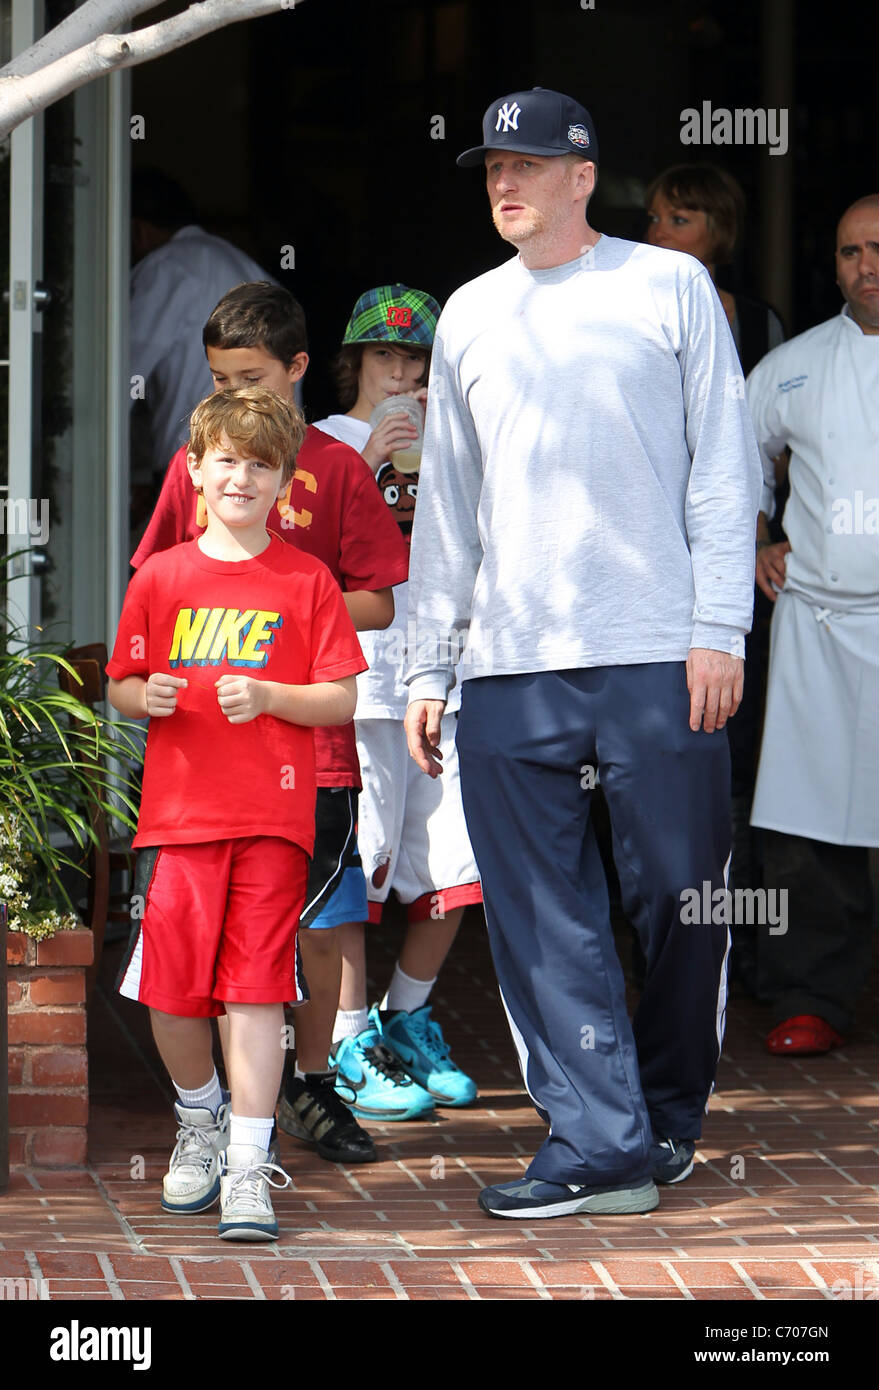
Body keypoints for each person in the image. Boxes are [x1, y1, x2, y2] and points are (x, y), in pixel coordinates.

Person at [404, 87, 762, 1219]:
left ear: (580, 174)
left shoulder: (669, 286)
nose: (503, 182)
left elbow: (724, 466)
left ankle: (661, 1117)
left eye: (523, 163)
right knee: (540, 915)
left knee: (684, 902)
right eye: (489, 167)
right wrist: (427, 662)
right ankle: (595, 1139)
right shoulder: (466, 313)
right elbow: (447, 511)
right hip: (511, 664)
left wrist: (719, 629)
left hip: (659, 652)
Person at [133, 282, 411, 1165]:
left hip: (310, 746)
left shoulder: (333, 467)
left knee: (318, 923)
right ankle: (217, 1110)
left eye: (248, 376)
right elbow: (162, 583)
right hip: (205, 762)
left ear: (297, 369)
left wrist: (292, 595)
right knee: (202, 937)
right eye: (215, 379)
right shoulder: (200, 463)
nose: (227, 397)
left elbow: (377, 598)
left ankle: (312, 1086)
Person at [107, 386, 366, 1240]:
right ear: (194, 470)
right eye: (227, 460)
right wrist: (149, 693)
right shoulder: (161, 576)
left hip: (273, 820)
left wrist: (273, 695)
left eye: (261, 464)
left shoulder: (307, 578)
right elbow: (120, 688)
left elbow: (338, 698)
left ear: (284, 480)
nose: (242, 477)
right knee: (173, 994)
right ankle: (200, 1119)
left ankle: (250, 1167)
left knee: (255, 991)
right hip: (178, 819)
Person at [312, 285, 482, 1119]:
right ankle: (347, 1038)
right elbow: (296, 562)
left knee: (455, 862)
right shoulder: (318, 444)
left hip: (442, 671)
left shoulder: (458, 437)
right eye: (384, 355)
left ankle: (405, 1016)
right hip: (361, 683)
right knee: (358, 863)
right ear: (353, 362)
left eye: (416, 358)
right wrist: (369, 459)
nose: (401, 373)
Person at [645, 162, 787, 984]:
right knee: (659, 752)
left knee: (742, 751)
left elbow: (763, 456)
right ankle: (661, 944)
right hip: (656, 568)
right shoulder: (629, 309)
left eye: (683, 218)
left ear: (719, 234)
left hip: (739, 577)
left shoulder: (760, 328)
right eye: (657, 217)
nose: (662, 231)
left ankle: (750, 949)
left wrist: (765, 541)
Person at [746, 194, 879, 1055]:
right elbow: (734, 461)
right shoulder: (790, 365)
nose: (865, 264)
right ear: (831, 266)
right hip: (818, 623)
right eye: (849, 251)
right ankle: (810, 1000)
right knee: (805, 824)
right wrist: (759, 536)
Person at [130, 168, 276, 488]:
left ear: (137, 232)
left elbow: (120, 375)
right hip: (264, 464)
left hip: (192, 469)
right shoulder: (249, 268)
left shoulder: (164, 268)